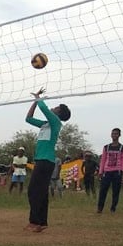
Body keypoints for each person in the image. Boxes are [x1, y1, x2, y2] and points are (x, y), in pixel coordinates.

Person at [24, 88, 71, 232]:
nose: (54, 107)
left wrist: (39, 98)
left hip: (46, 160)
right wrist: (35, 101)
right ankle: (42, 222)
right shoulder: (46, 124)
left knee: (33, 191)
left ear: (59, 114)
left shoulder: (55, 122)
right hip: (42, 160)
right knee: (42, 193)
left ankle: (35, 221)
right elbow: (28, 118)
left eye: (57, 108)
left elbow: (44, 108)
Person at [97, 128, 123, 214]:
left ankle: (113, 208)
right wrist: (100, 172)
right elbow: (103, 160)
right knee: (103, 190)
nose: (114, 135)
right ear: (111, 135)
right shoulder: (106, 147)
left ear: (119, 135)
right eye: (113, 133)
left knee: (116, 191)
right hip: (107, 172)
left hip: (117, 172)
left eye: (116, 134)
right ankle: (100, 208)